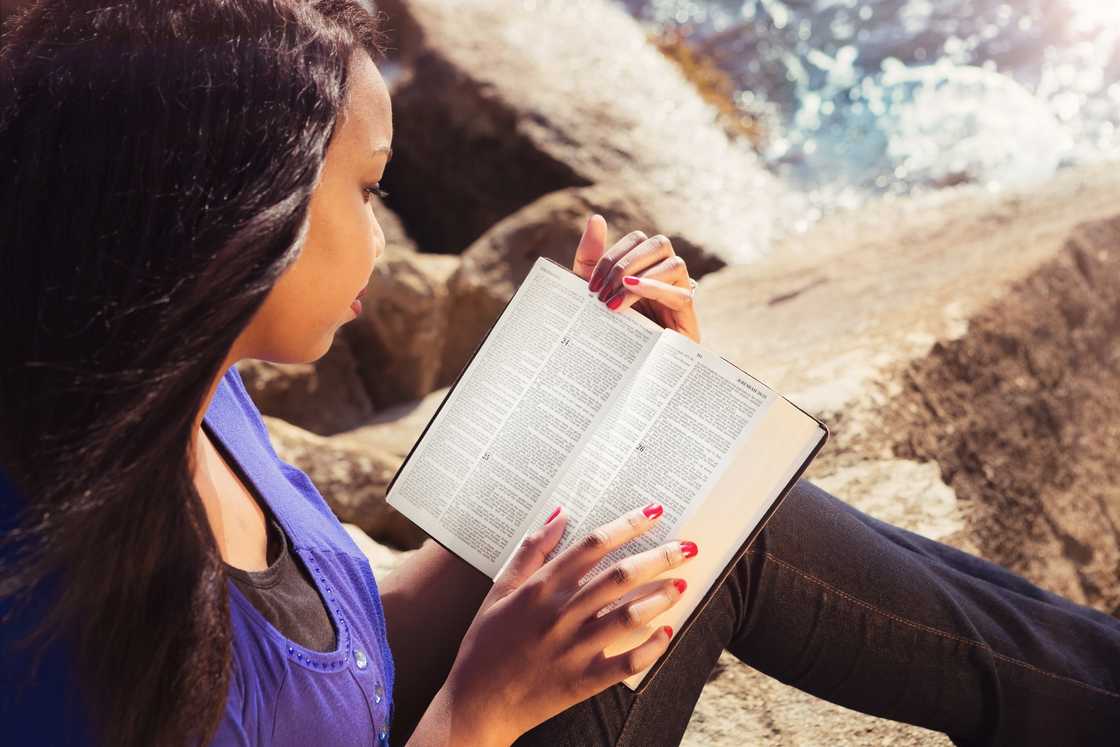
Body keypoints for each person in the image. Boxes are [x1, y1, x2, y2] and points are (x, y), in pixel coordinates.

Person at [0, 1, 1117, 745]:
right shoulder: (63, 616)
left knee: (682, 509)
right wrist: (483, 710)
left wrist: (595, 409)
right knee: (705, 538)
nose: (381, 238)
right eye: (368, 188)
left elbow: (346, 633)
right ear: (234, 220)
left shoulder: (185, 399)